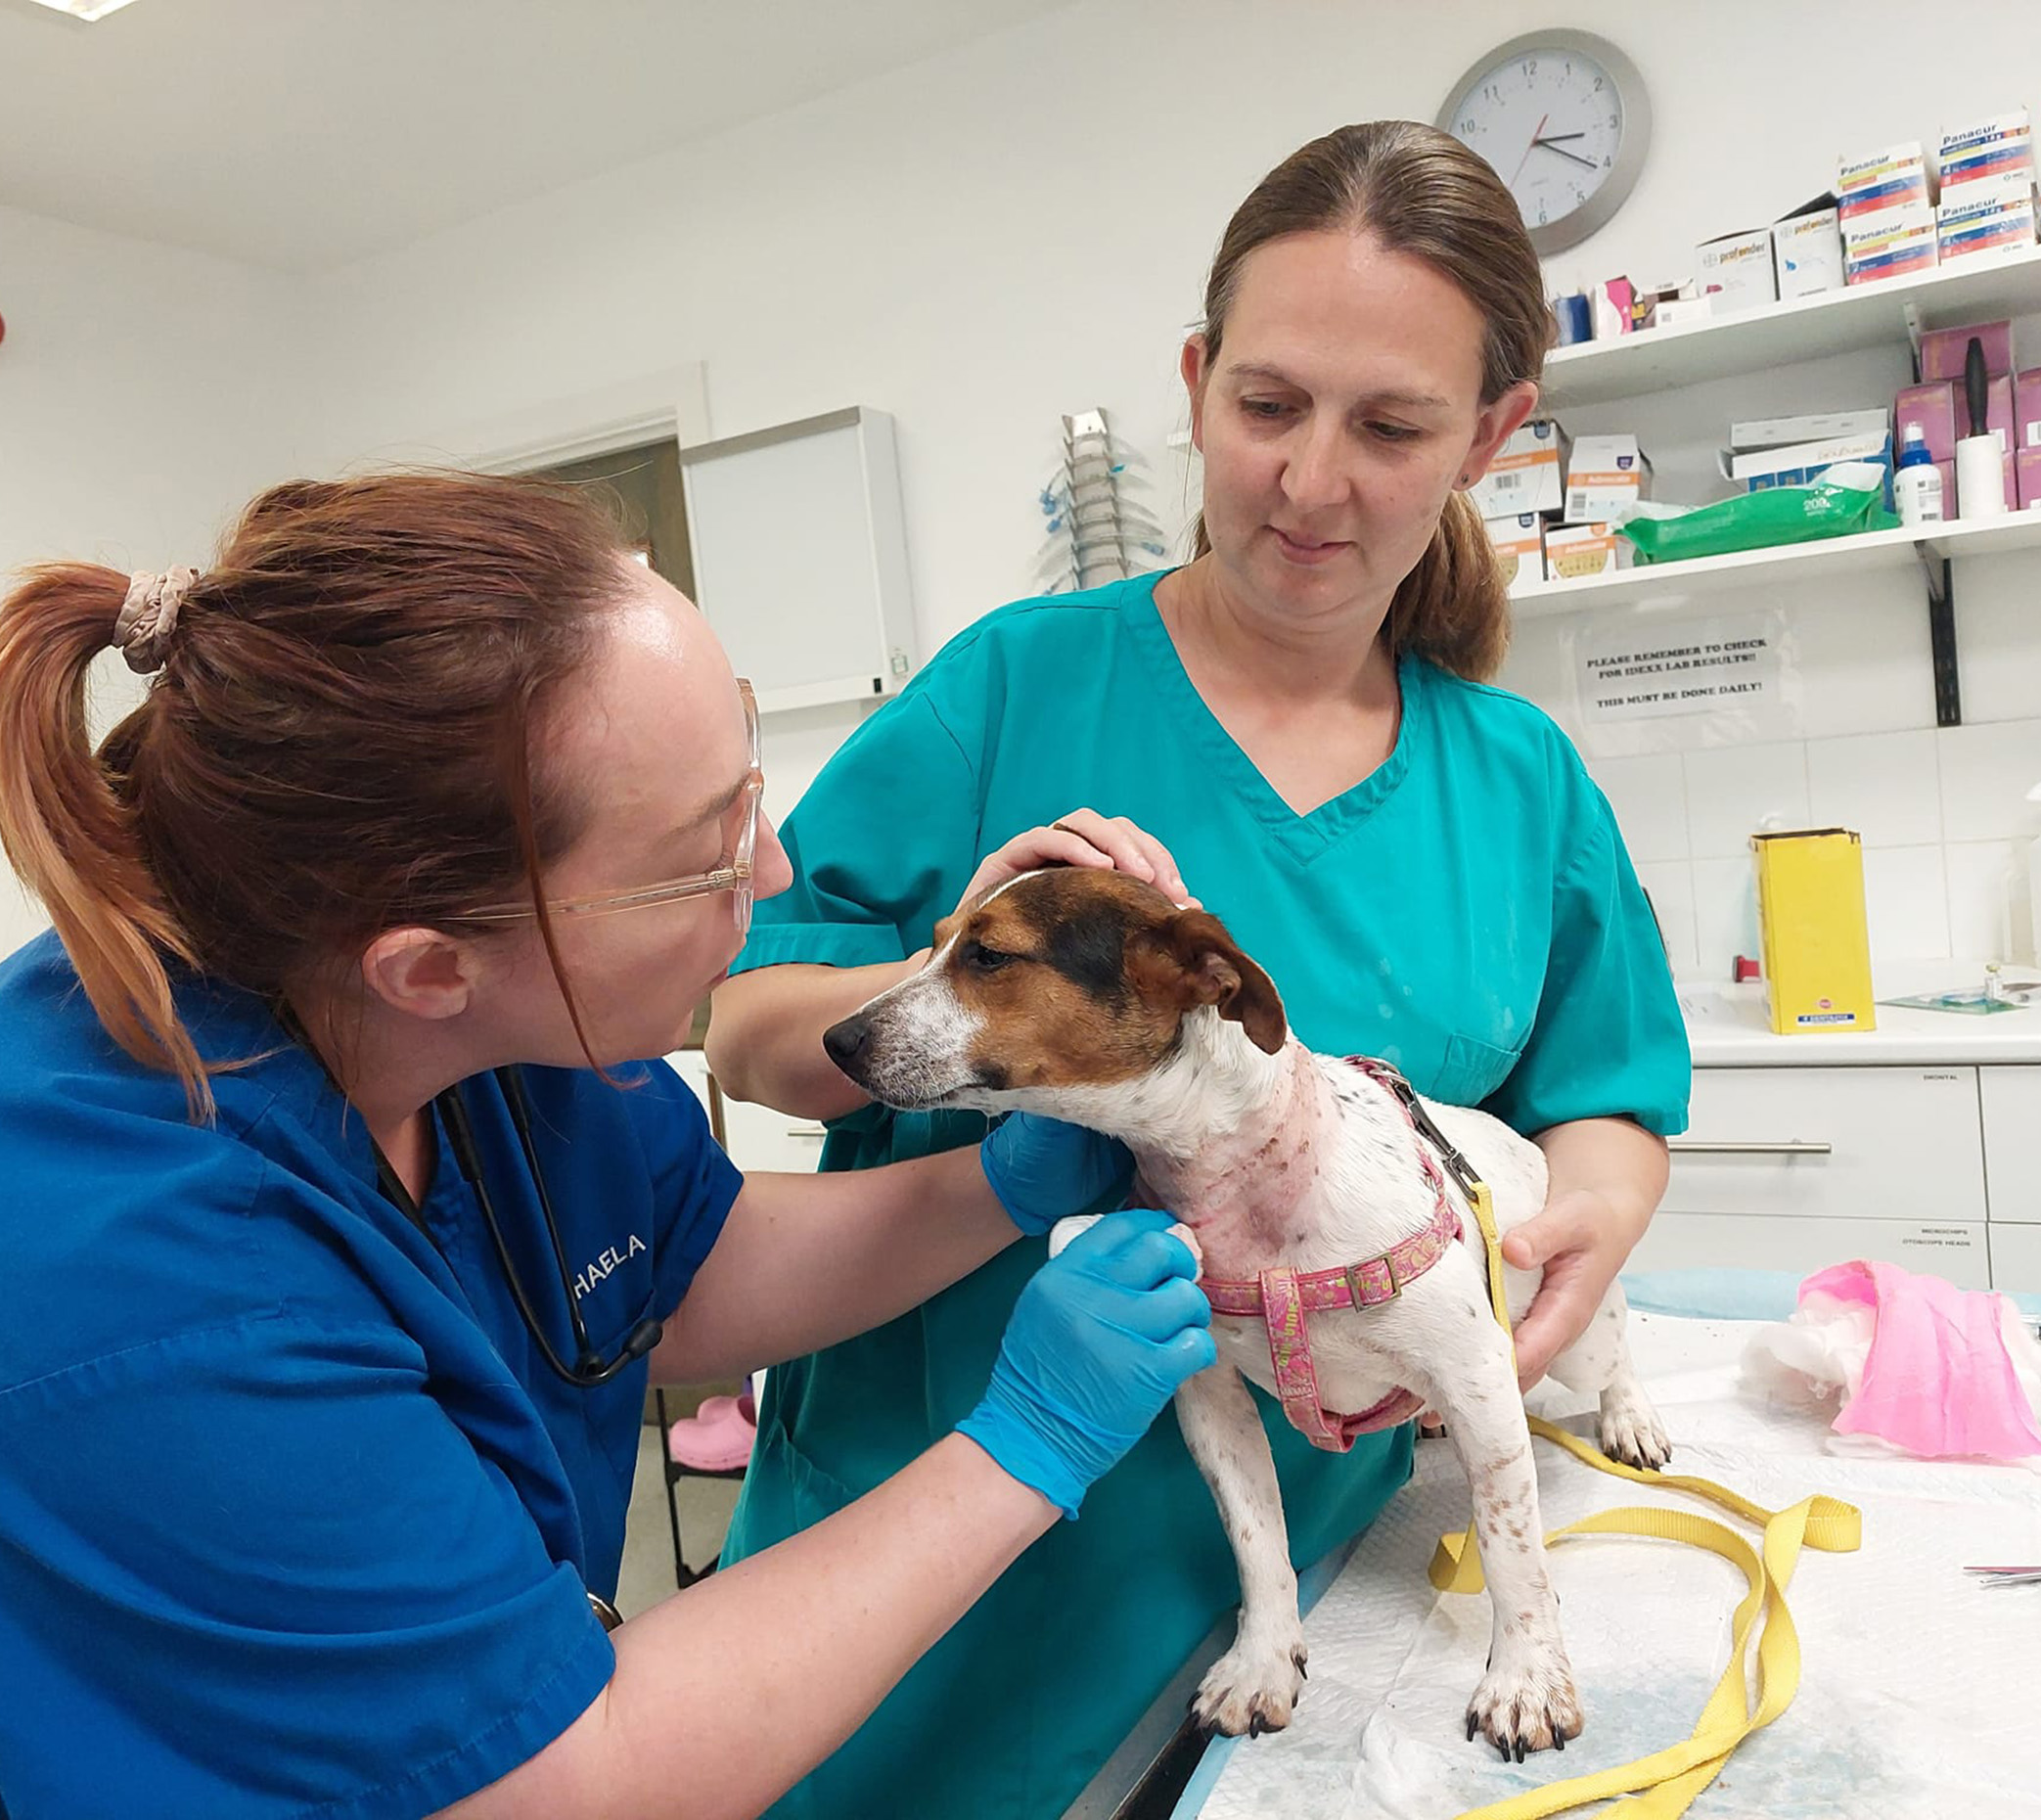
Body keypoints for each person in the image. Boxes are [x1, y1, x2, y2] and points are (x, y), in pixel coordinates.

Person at [0, 474, 1220, 1819]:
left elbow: (673, 1271)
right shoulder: (129, 1300)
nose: (773, 862)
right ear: (428, 961)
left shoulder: (474, 1024)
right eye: (705, 849)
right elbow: (562, 1780)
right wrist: (1027, 1444)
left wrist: (1002, 1180)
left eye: (747, 779)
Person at [704, 119, 1694, 1819]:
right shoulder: (1010, 688)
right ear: (1194, 381)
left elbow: (1600, 1103)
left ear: (1494, 435)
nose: (1314, 483)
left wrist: (1578, 1239)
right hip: (943, 1553)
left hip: (1302, 1579)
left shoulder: (1518, 780)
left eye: (1391, 427)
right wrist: (956, 969)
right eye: (1267, 407)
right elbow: (746, 1025)